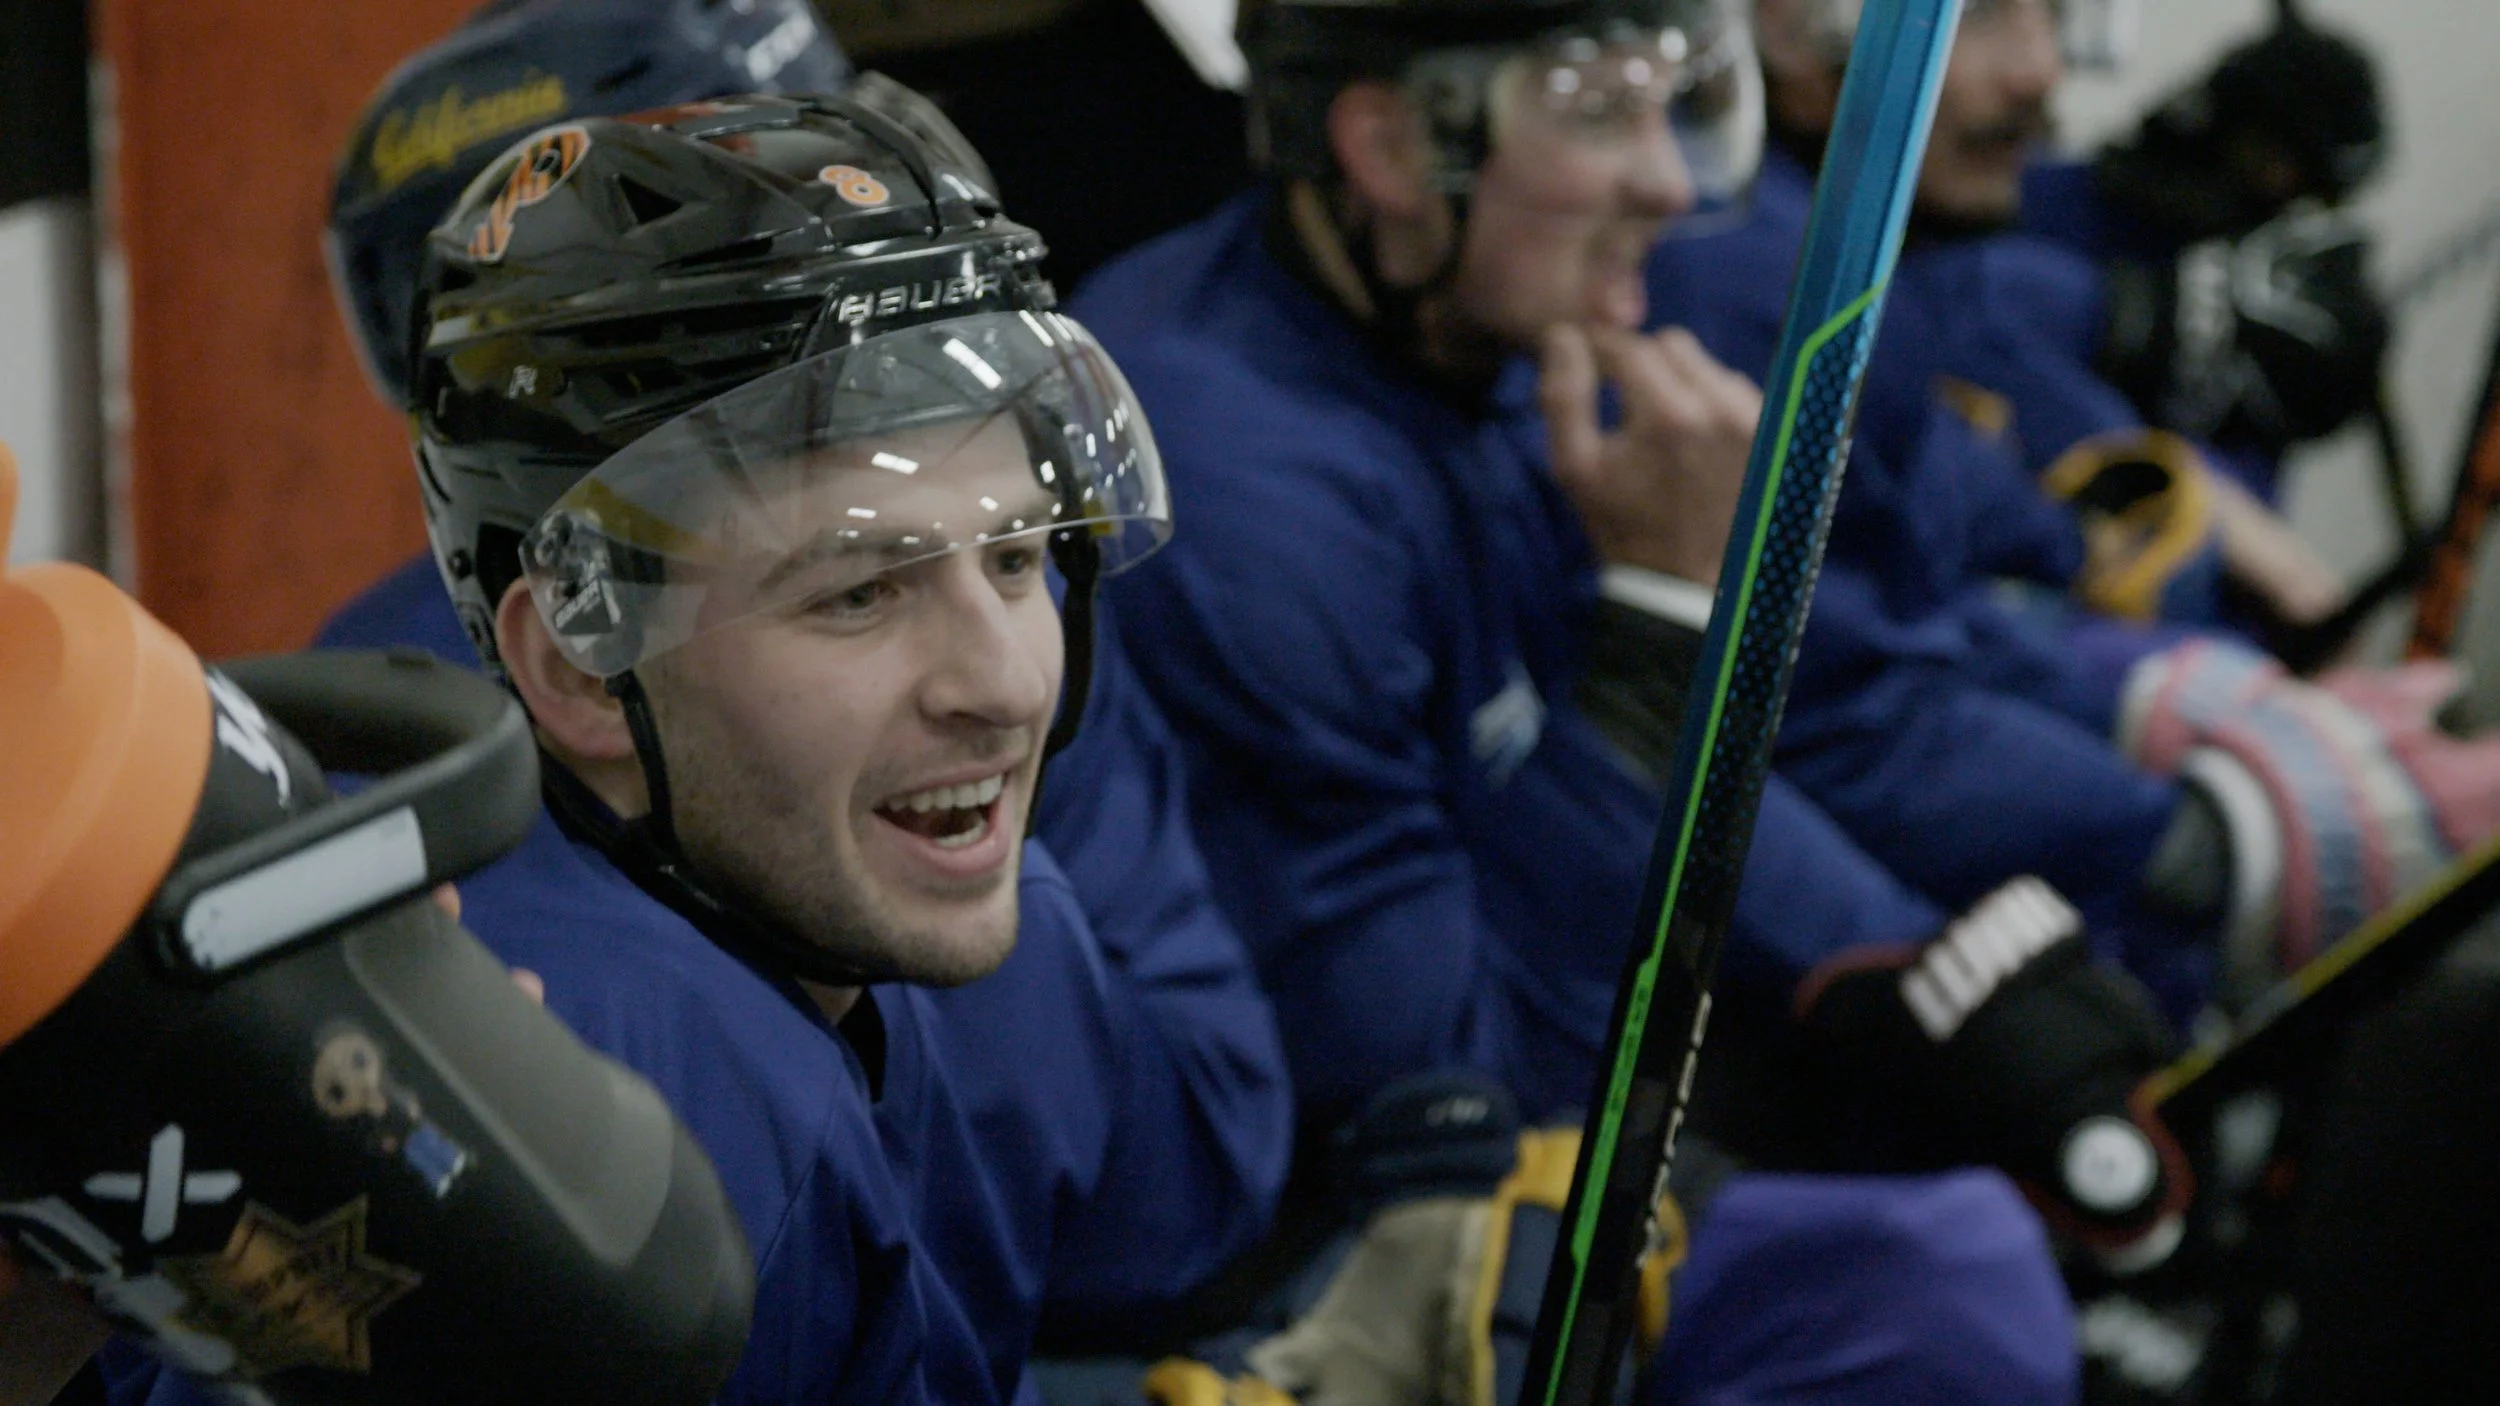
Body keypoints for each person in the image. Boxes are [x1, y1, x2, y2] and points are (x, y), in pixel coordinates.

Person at [105, 91, 1242, 1406]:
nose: (1000, 681)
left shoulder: (864, 905)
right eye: (859, 591)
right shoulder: (673, 1126)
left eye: (1016, 555)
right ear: (580, 661)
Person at [1074, 1, 2102, 1399]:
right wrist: (1669, 621)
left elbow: (1555, 750)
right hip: (1330, 1209)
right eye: (1599, 109)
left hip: (1510, 999)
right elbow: (1441, 1080)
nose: (1673, 184)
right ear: (1389, 143)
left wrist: (1913, 963)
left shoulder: (1462, 335)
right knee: (1946, 1288)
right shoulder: (1243, 500)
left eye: (1674, 101)